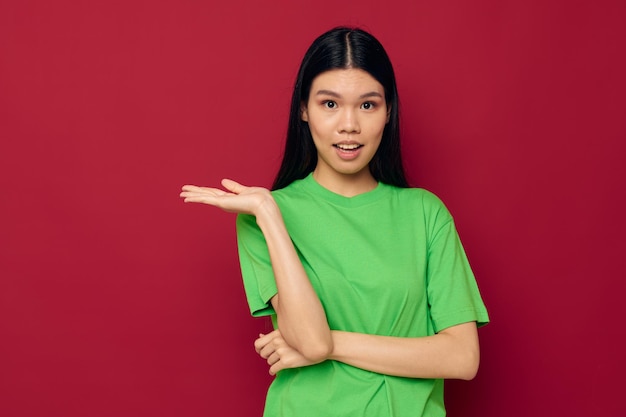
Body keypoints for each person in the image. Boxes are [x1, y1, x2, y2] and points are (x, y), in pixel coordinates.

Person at [180, 26, 489, 417]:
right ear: (303, 110)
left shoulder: (425, 214)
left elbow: (462, 358)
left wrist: (333, 342)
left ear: (388, 110)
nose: (349, 126)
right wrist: (271, 215)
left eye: (367, 105)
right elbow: (310, 342)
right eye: (329, 104)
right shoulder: (262, 218)